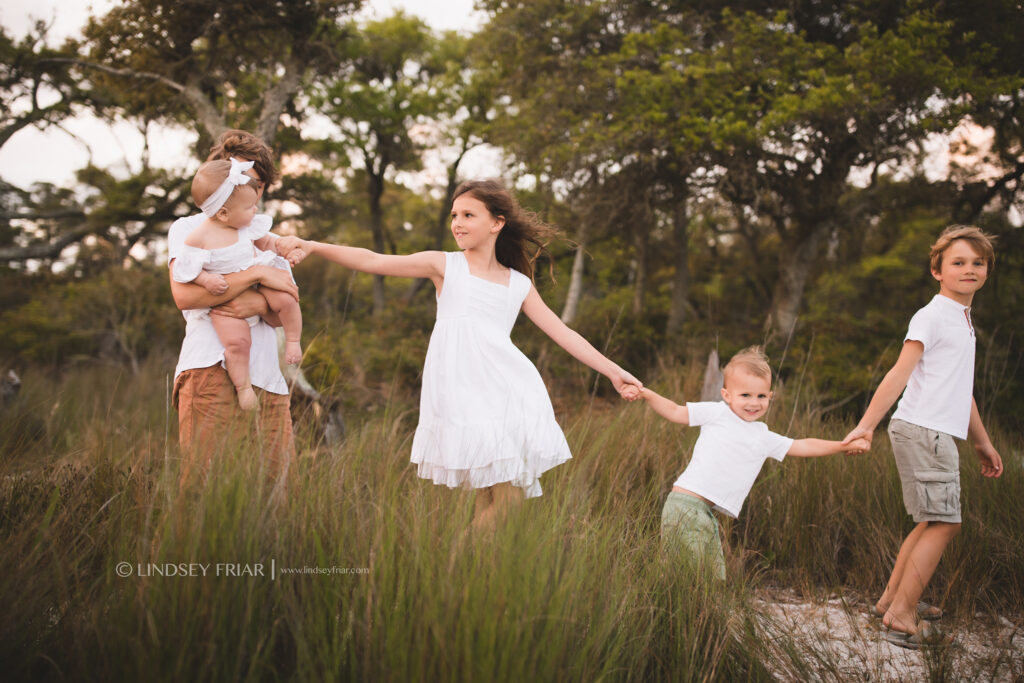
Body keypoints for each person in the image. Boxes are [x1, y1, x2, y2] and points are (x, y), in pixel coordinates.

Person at [277, 178, 641, 529]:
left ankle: (472, 567)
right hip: (462, 393)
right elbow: (372, 260)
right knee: (507, 502)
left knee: (495, 498)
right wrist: (313, 245)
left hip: (507, 392)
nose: (457, 223)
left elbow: (563, 333)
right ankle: (454, 563)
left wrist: (613, 371)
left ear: (497, 223)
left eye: (468, 215)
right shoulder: (445, 265)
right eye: (454, 215)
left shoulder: (518, 284)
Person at [841, 225, 1003, 649]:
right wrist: (866, 425)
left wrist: (982, 442)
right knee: (946, 523)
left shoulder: (962, 320)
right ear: (937, 271)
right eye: (958, 262)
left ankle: (891, 600)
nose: (969, 269)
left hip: (933, 431)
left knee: (932, 520)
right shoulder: (932, 316)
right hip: (924, 430)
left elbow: (961, 389)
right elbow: (900, 372)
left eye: (978, 263)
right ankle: (901, 615)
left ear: (987, 270)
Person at [622, 347, 868, 580]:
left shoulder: (762, 435)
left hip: (705, 513)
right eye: (745, 395)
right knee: (689, 576)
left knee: (710, 577)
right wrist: (646, 393)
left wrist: (842, 446)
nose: (754, 403)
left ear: (770, 396)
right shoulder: (718, 413)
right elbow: (675, 411)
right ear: (727, 395)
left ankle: (695, 609)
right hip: (685, 507)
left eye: (761, 396)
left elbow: (802, 446)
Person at [168, 130, 297, 487]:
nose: (246, 187)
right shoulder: (190, 228)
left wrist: (251, 301)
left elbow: (284, 308)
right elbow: (185, 296)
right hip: (209, 368)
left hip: (268, 379)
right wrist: (255, 275)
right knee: (204, 488)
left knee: (277, 491)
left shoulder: (264, 235)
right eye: (238, 177)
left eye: (256, 183)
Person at [173, 158, 303, 410]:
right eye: (249, 206)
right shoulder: (195, 233)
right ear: (223, 212)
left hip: (269, 372)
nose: (255, 210)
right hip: (220, 321)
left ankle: (294, 341)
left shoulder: (246, 225)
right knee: (237, 343)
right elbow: (185, 272)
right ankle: (243, 388)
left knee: (287, 299)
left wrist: (286, 250)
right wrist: (206, 279)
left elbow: (270, 244)